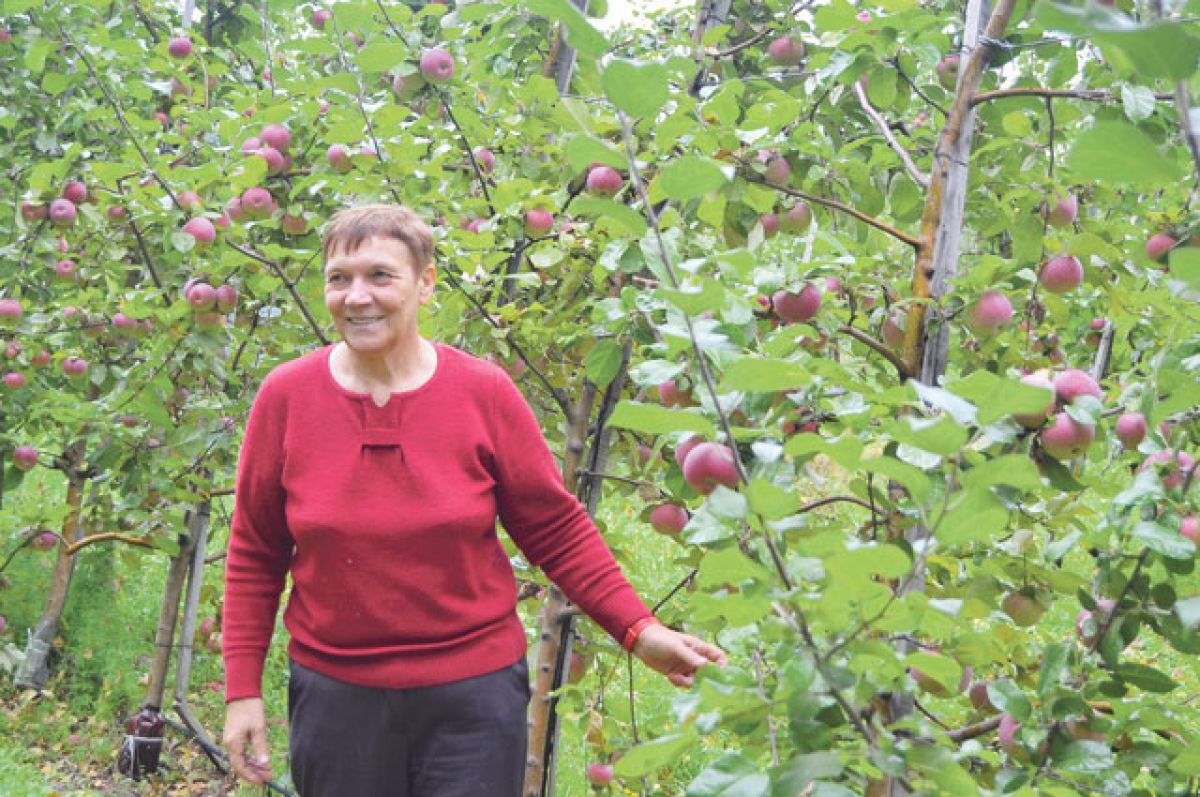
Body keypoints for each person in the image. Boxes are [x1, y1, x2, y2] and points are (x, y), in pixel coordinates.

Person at [221, 204, 727, 796]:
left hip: (474, 701)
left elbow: (556, 530)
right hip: (338, 700)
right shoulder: (287, 398)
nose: (357, 296)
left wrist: (639, 631)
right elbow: (256, 552)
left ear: (426, 283)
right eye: (340, 278)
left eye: (380, 276)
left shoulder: (481, 393)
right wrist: (243, 691)